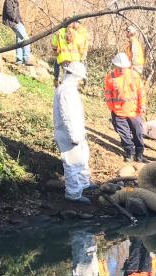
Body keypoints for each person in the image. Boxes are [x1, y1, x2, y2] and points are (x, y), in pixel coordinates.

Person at [53, 62, 92, 204]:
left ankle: (84, 183)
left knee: (82, 158)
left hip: (76, 132)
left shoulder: (69, 89)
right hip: (68, 134)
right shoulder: (66, 91)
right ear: (76, 76)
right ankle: (73, 194)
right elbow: (67, 116)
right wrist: (74, 136)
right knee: (72, 164)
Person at [104, 53, 146, 163]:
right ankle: (130, 152)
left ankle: (139, 152)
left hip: (134, 111)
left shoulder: (134, 75)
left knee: (138, 133)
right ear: (115, 65)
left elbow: (141, 92)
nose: (122, 69)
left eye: (124, 67)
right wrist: (112, 108)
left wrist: (142, 105)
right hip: (118, 112)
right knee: (125, 135)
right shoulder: (110, 77)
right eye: (120, 67)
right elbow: (108, 95)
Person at [1, 0, 32, 66]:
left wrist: (21, 23)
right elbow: (9, 12)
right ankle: (26, 59)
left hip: (17, 22)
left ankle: (19, 60)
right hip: (13, 23)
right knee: (26, 39)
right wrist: (17, 21)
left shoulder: (15, 2)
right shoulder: (8, 1)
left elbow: (18, 14)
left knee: (20, 39)